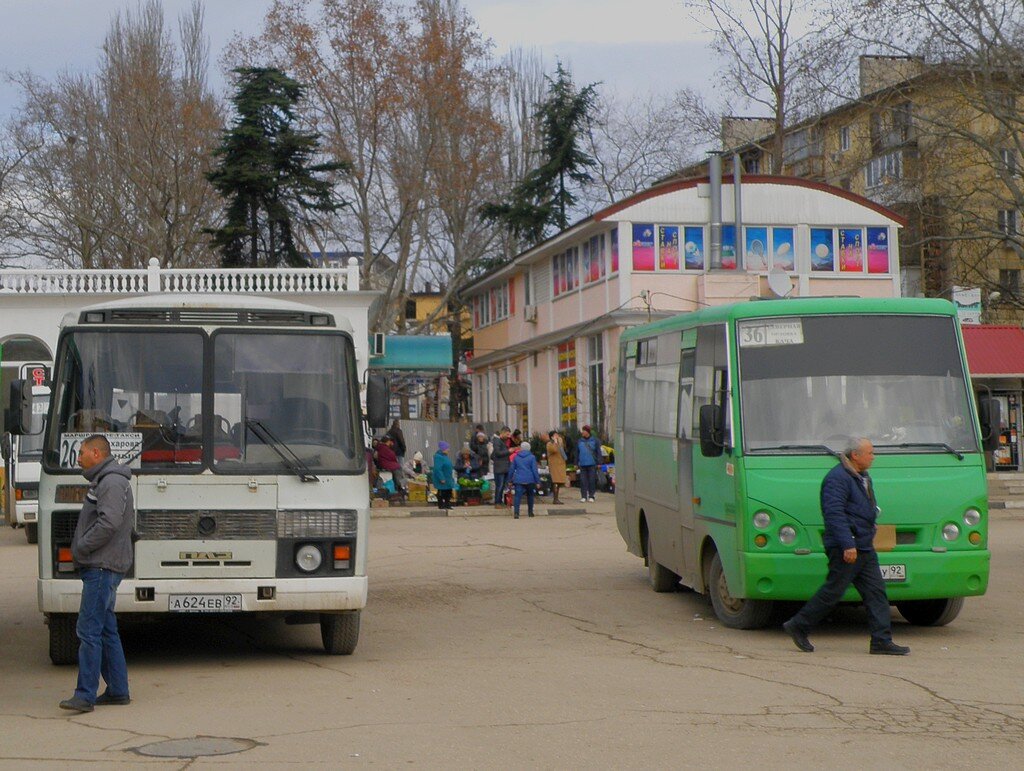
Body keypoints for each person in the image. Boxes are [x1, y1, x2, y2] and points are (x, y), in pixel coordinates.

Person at [782, 438, 910, 656]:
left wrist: (872, 524)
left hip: (864, 547)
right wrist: (847, 544)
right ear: (855, 456)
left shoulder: (862, 476)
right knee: (833, 591)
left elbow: (864, 507)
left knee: (876, 593)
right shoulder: (837, 478)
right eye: (870, 453)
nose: (873, 457)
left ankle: (881, 640)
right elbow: (834, 514)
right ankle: (798, 625)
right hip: (847, 548)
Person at [59, 435, 135, 713]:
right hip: (105, 563)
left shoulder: (111, 481)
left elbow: (110, 522)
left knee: (88, 630)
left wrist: (81, 546)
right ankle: (117, 690)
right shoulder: (106, 480)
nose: (77, 458)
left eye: (81, 453)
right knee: (105, 630)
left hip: (102, 566)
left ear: (95, 452)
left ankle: (84, 695)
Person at [509, 440, 541, 519]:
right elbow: (534, 470)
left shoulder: (516, 457)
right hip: (530, 479)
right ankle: (530, 512)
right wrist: (537, 481)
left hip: (518, 479)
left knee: (517, 496)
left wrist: (509, 480)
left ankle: (516, 513)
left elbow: (512, 469)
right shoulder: (532, 457)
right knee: (530, 496)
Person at [576, 425, 601, 503]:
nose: (582, 432)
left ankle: (591, 496)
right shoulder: (579, 441)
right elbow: (576, 453)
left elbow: (598, 452)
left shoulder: (595, 441)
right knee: (583, 481)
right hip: (582, 464)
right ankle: (583, 496)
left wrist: (599, 462)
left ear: (587, 432)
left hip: (592, 464)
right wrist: (576, 463)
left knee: (591, 480)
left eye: (584, 431)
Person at [491, 427, 512, 509]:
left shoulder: (504, 442)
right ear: (502, 433)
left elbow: (492, 455)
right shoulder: (497, 441)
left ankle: (501, 501)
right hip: (500, 468)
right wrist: (509, 451)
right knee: (499, 486)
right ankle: (497, 502)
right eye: (507, 434)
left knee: (503, 486)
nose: (508, 436)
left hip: (504, 467)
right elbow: (498, 453)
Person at [546, 429, 568, 504]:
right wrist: (555, 442)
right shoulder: (549, 444)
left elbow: (563, 450)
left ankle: (557, 498)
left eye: (557, 435)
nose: (557, 436)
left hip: (560, 464)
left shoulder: (559, 443)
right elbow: (554, 450)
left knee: (559, 482)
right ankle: (555, 499)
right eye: (555, 435)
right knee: (555, 481)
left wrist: (560, 442)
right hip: (554, 465)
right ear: (551, 437)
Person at [432, 441, 455, 510]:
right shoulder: (438, 457)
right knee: (442, 492)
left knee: (448, 492)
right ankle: (441, 504)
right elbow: (437, 469)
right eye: (447, 448)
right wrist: (441, 478)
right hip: (443, 478)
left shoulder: (445, 456)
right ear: (443, 449)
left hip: (448, 477)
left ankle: (447, 504)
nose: (448, 449)